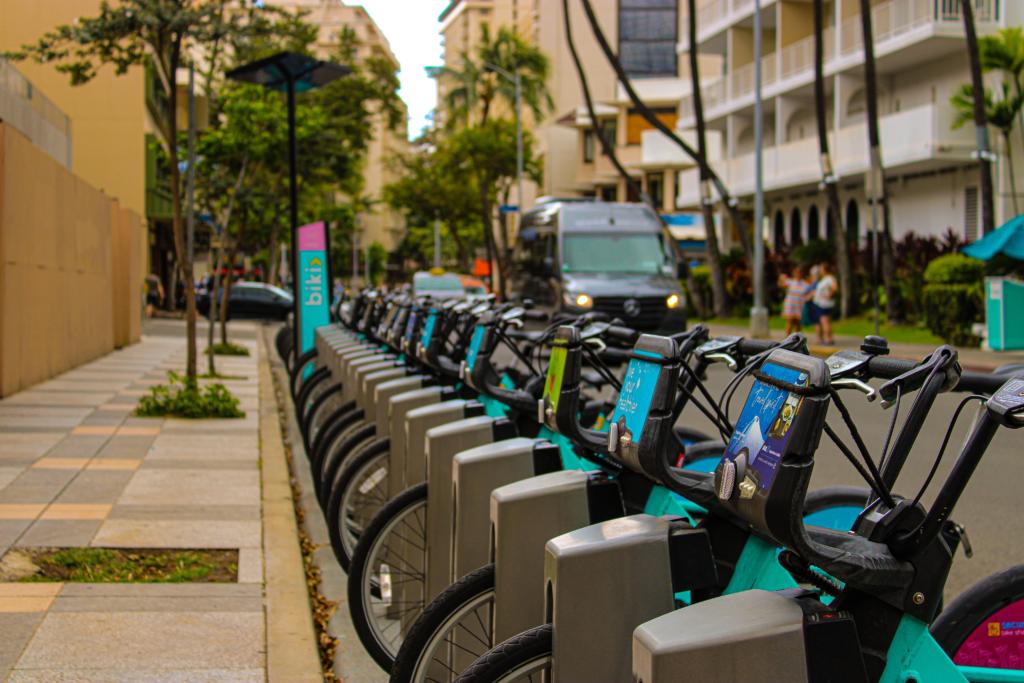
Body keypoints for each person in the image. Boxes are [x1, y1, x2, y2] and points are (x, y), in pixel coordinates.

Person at [778, 266, 812, 336]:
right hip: (790, 305)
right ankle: (787, 339)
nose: (798, 274)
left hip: (799, 306)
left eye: (799, 272)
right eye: (796, 272)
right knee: (789, 322)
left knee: (798, 323)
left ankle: (797, 339)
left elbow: (810, 293)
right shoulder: (790, 282)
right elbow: (780, 285)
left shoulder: (805, 284)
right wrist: (780, 278)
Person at [812, 262, 838, 345]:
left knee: (825, 322)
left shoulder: (829, 278)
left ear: (824, 269)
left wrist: (829, 295)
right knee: (824, 321)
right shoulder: (824, 278)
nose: (820, 271)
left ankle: (828, 339)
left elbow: (834, 288)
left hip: (824, 304)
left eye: (821, 269)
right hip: (820, 303)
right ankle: (825, 338)